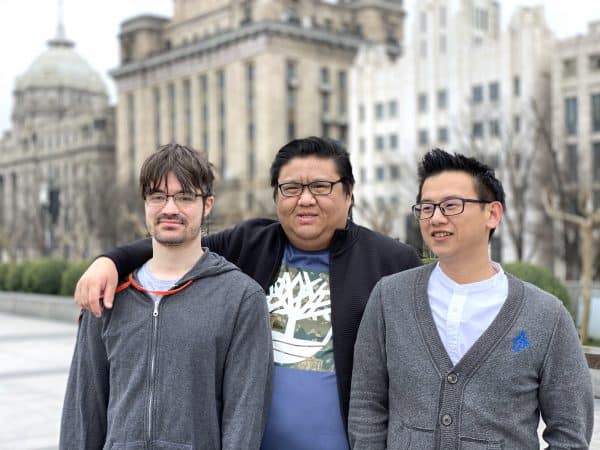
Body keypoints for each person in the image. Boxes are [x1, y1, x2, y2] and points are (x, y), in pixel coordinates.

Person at [74, 136, 422, 449]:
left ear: (349, 193)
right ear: (276, 196)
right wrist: (110, 261)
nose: (305, 199)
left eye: (320, 186)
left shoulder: (391, 262)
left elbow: (413, 377)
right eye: (290, 188)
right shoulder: (251, 243)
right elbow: (179, 240)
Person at [348, 148, 594, 449]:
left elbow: (570, 432)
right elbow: (366, 403)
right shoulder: (389, 297)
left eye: (451, 205)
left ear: (492, 214)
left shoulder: (546, 315)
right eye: (427, 207)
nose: (436, 218)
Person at [60, 143, 272, 449]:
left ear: (207, 205)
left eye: (185, 197)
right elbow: (83, 410)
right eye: (158, 196)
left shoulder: (241, 298)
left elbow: (244, 418)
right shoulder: (107, 293)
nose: (170, 209)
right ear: (145, 204)